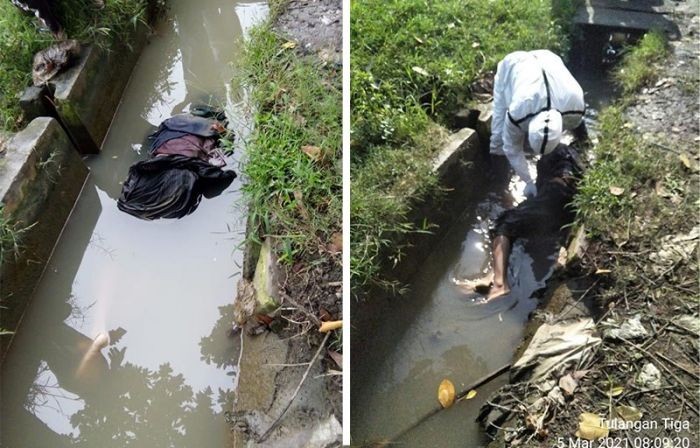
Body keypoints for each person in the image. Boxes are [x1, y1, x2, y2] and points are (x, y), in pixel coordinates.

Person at [458, 144, 583, 301]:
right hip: (566, 210)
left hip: (553, 201)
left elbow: (549, 192)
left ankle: (498, 283)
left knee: (504, 222)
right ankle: (493, 273)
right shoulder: (572, 158)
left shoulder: (549, 157)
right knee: (519, 220)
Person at [490, 50, 585, 198]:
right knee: (497, 139)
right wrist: (527, 181)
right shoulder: (517, 113)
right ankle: (501, 187)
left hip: (549, 60)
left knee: (581, 138)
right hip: (514, 66)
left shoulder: (575, 107)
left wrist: (583, 148)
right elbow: (511, 147)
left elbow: (577, 125)